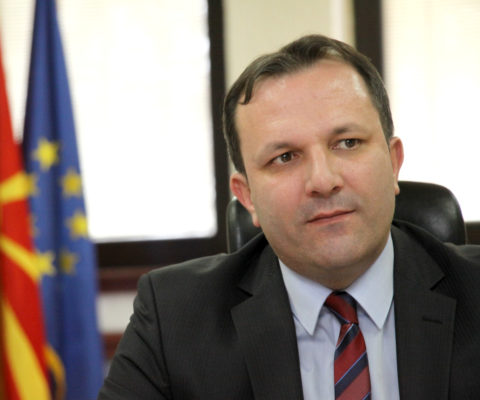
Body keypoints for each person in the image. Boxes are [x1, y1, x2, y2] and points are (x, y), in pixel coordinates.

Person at [98, 34, 480, 400]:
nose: (323, 181)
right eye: (284, 157)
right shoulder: (173, 318)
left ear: (393, 163)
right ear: (247, 196)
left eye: (348, 143)